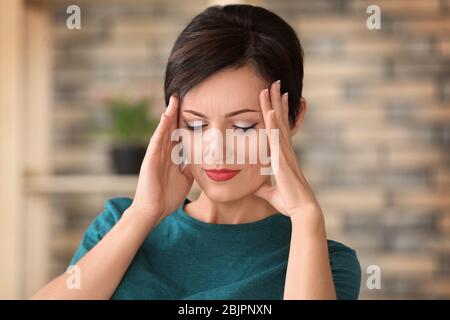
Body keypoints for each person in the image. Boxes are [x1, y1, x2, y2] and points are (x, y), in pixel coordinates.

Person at [32, 4, 361, 300]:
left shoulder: (325, 260)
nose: (215, 150)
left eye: (244, 127)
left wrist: (305, 217)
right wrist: (143, 214)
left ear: (294, 118)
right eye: (195, 125)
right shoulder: (119, 224)